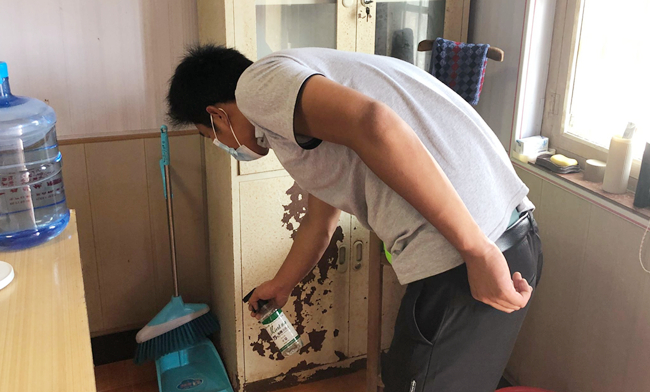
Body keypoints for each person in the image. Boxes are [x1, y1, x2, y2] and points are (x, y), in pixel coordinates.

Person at [167, 44, 543, 392]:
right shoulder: (301, 111)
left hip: (470, 257)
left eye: (210, 136)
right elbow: (320, 222)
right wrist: (282, 284)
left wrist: (477, 249)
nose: (222, 146)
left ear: (216, 115)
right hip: (510, 238)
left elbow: (373, 122)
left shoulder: (255, 86)